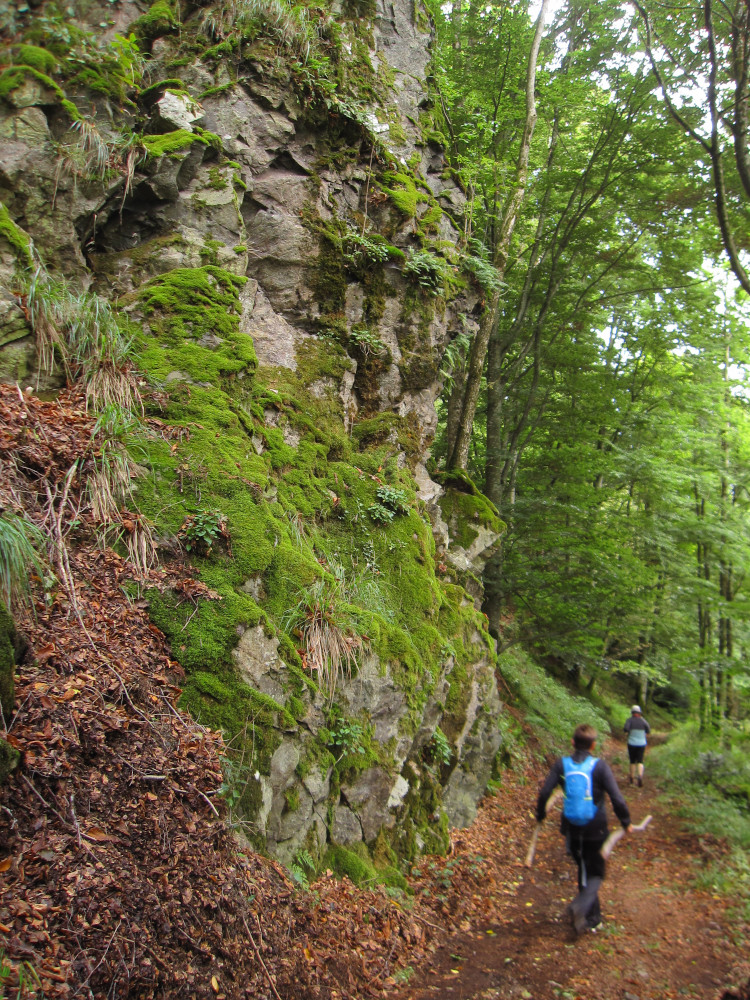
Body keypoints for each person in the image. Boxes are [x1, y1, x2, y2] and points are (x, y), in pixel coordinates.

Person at [535, 723, 631, 936]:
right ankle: (585, 910)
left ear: (572, 742)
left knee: (583, 869)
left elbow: (544, 793)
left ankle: (591, 916)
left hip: (572, 829)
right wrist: (626, 822)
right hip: (596, 829)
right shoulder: (600, 767)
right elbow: (617, 798)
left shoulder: (562, 765)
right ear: (593, 745)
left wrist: (540, 814)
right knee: (595, 872)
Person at [624, 704, 650, 787]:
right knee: (640, 761)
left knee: (632, 761)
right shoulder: (643, 721)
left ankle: (631, 778)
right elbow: (648, 730)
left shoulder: (629, 720)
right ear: (640, 713)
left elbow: (626, 729)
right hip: (642, 744)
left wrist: (627, 733)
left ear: (632, 713)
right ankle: (640, 776)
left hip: (631, 743)